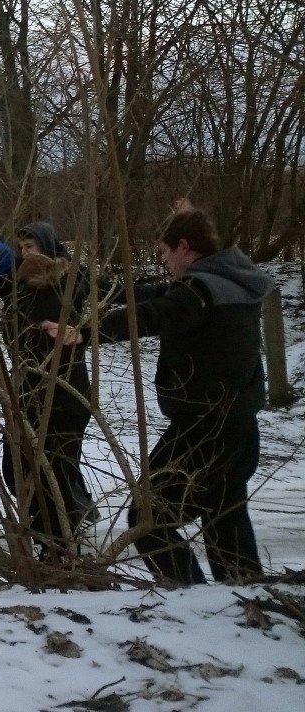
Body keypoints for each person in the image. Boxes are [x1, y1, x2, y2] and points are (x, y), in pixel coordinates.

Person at [48, 204, 270, 585]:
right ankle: (245, 599)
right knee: (225, 518)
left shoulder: (197, 292)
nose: (165, 261)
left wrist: (84, 332)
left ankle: (190, 597)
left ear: (184, 247)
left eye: (166, 252)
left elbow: (155, 314)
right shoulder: (232, 283)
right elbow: (154, 296)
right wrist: (99, 288)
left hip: (202, 431)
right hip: (239, 429)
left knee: (148, 518)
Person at [0, 176, 95, 563]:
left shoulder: (67, 284)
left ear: (48, 249)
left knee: (54, 472)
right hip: (27, 394)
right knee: (19, 470)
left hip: (62, 394)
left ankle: (60, 545)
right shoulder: (18, 284)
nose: (24, 253)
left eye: (31, 247)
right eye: (21, 248)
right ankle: (66, 519)